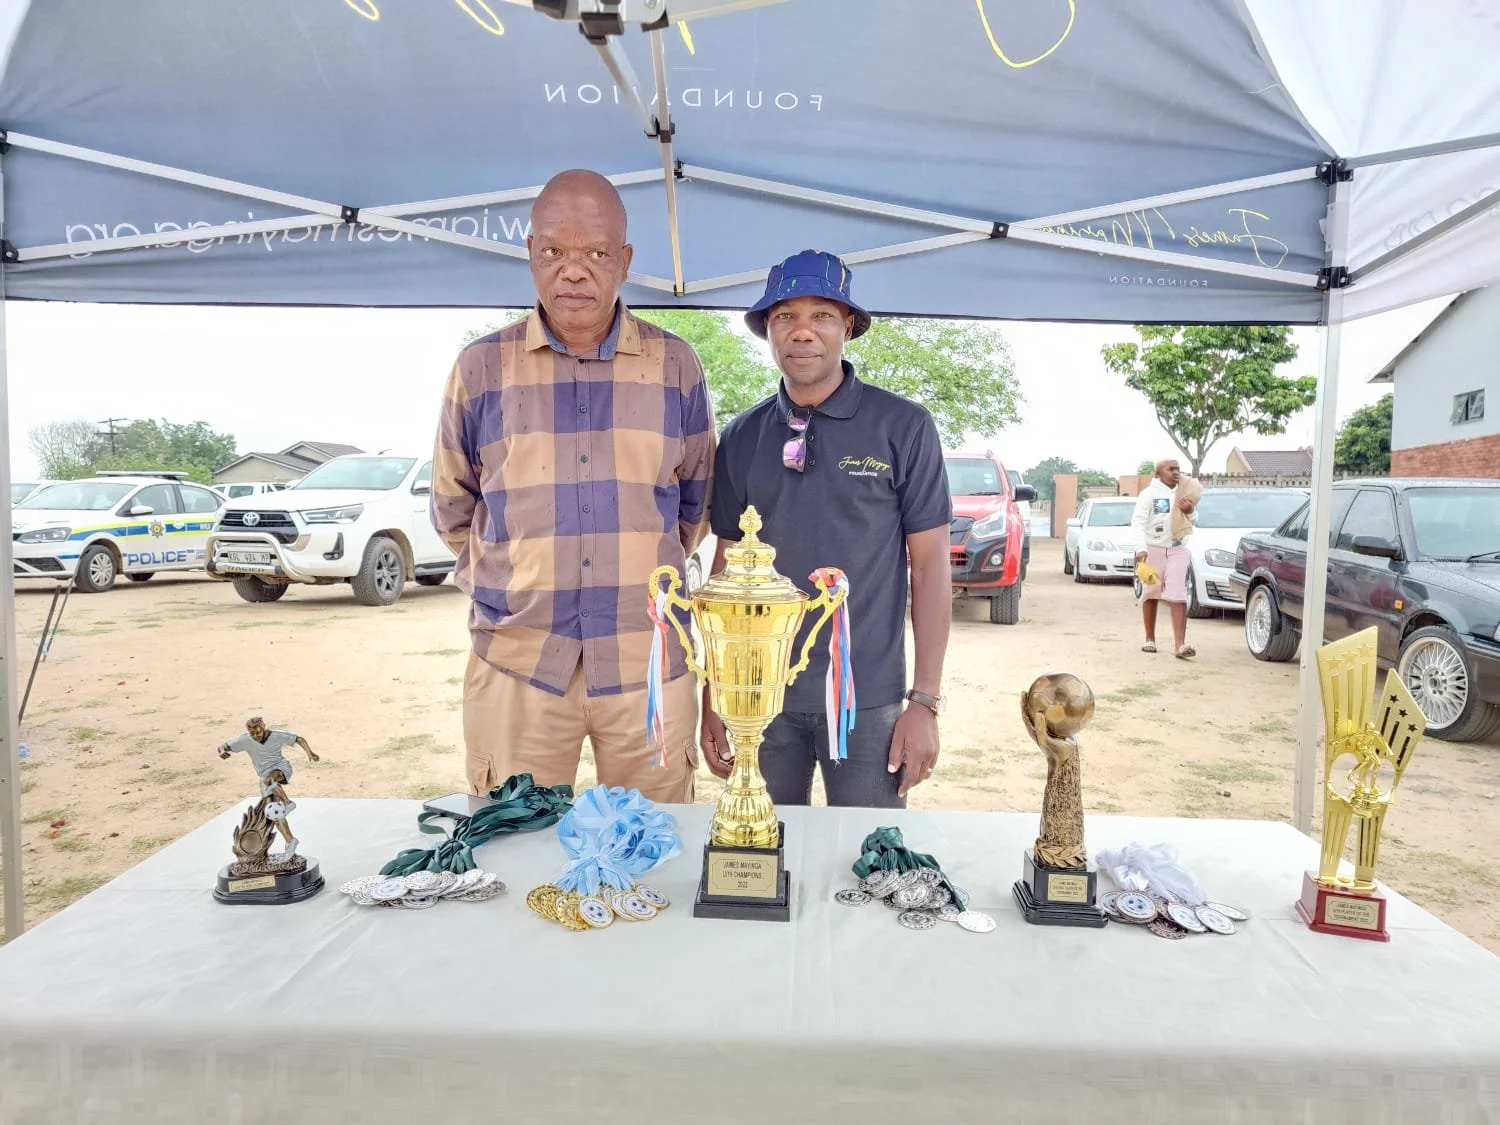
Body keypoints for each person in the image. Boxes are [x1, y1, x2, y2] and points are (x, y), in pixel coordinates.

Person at [431, 169, 716, 803]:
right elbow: (454, 508)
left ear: (625, 261)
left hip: (645, 665)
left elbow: (690, 508)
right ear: (531, 255)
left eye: (595, 253)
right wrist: (519, 584)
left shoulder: (676, 365)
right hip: (518, 664)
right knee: (510, 854)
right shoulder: (480, 368)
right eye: (555, 252)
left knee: (654, 862)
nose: (574, 270)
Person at [702, 250, 952, 809]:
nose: (803, 332)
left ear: (848, 327)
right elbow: (723, 570)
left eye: (822, 316)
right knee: (765, 860)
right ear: (768, 330)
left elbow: (931, 565)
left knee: (863, 866)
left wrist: (925, 702)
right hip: (760, 698)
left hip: (868, 702)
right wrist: (714, 694)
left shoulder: (903, 427)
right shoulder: (742, 436)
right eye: (785, 316)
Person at [217, 717, 319, 860]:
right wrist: (222, 752)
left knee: (269, 779)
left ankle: (288, 803)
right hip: (264, 778)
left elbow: (299, 739)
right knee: (274, 813)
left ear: (263, 727)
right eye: (252, 734)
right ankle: (290, 841)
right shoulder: (244, 740)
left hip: (281, 769)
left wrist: (310, 753)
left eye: (258, 732)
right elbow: (223, 746)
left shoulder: (276, 735)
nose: (256, 736)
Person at [1132, 457, 1198, 659]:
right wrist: (1141, 549)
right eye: (1171, 469)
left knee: (1178, 594)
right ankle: (1149, 639)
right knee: (1151, 592)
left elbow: (1195, 520)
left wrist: (1191, 511)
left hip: (1178, 549)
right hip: (1154, 549)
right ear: (1158, 473)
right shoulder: (1149, 495)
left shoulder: (1184, 492)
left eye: (1178, 469)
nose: (1176, 472)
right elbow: (1138, 523)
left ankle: (1180, 645)